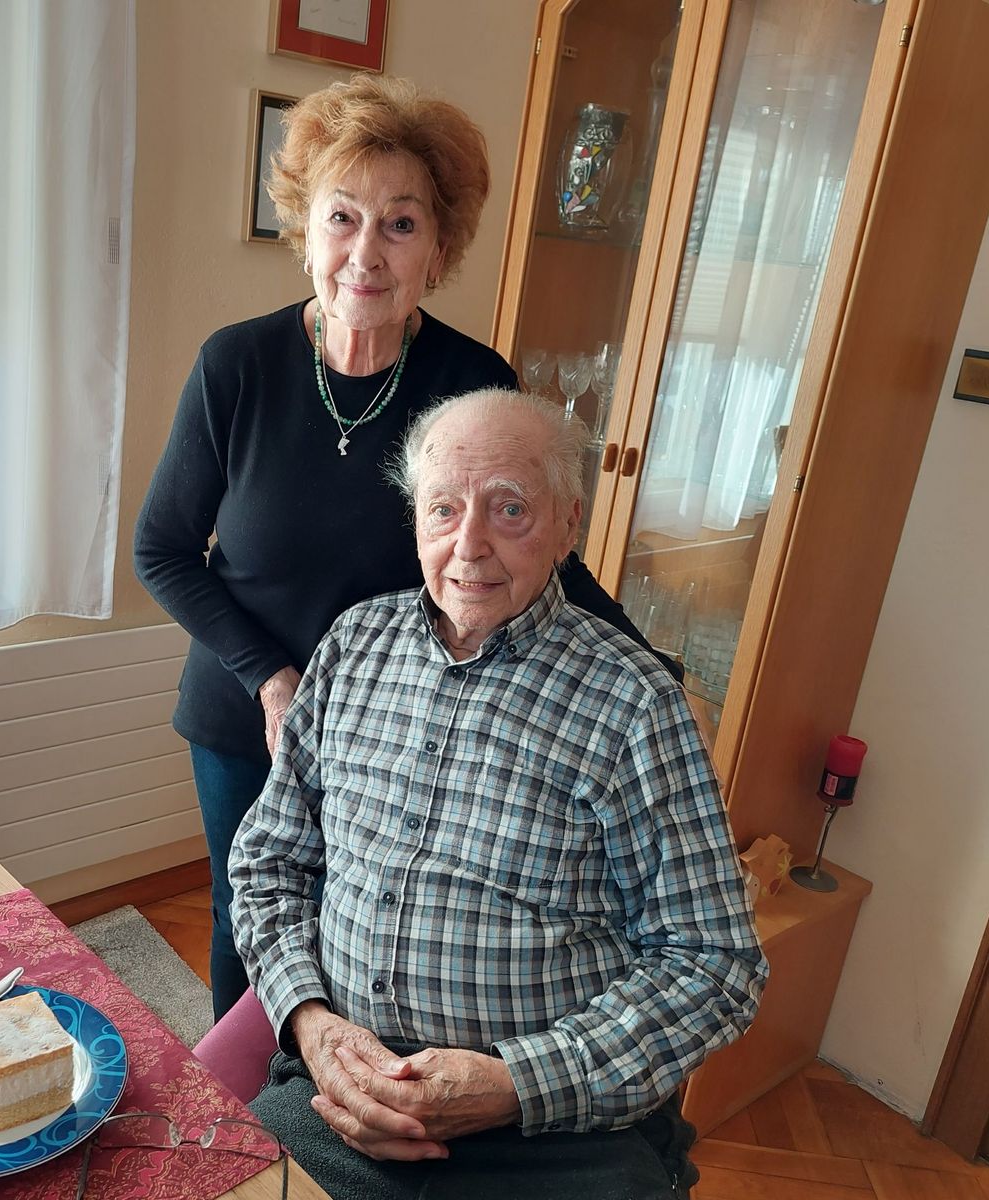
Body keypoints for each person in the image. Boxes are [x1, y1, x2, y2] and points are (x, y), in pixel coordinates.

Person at [133, 74, 671, 1022]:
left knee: (373, 927)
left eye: (401, 224)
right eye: (343, 217)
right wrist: (271, 678)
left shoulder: (474, 380)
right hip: (244, 713)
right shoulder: (237, 365)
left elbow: (535, 546)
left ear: (440, 248)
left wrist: (648, 667)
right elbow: (164, 549)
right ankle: (248, 1125)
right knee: (247, 916)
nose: (365, 254)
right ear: (306, 228)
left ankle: (344, 1104)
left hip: (402, 728)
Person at [229, 389, 768, 1200]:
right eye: (443, 509)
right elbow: (267, 862)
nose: (468, 546)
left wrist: (516, 1082)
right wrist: (312, 1023)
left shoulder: (634, 704)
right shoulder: (351, 647)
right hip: (340, 1090)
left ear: (567, 524)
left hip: (548, 1134)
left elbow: (716, 964)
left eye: (508, 509)